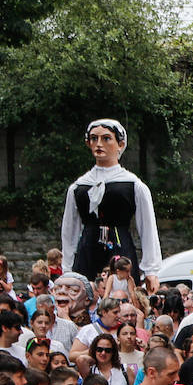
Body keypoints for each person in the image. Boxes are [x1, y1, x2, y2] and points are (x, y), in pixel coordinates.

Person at [61, 118, 162, 288]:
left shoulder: (133, 185)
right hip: (88, 250)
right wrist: (67, 268)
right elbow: (69, 230)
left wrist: (151, 270)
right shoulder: (79, 187)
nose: (99, 144)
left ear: (120, 144)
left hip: (120, 247)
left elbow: (148, 228)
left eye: (106, 139)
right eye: (94, 138)